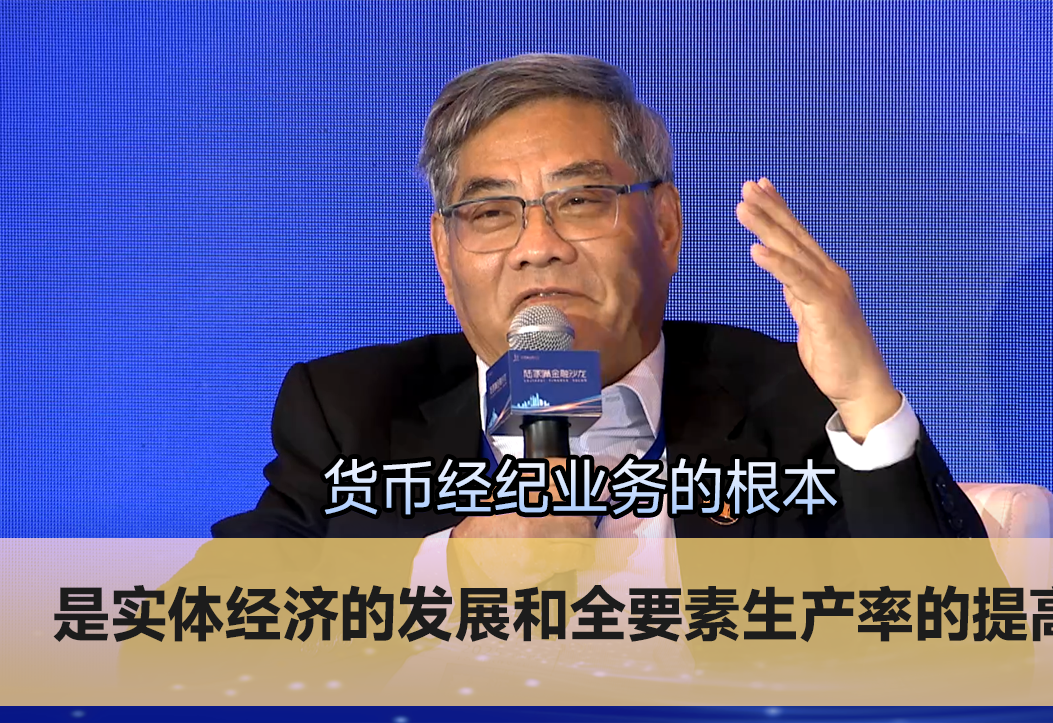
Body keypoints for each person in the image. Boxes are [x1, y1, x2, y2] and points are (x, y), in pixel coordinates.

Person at [211, 53, 986, 542]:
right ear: (444, 256)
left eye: (579, 201)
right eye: (491, 212)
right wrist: (447, 574)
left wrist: (867, 402)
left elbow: (953, 647)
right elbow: (197, 636)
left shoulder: (791, 402)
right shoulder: (351, 413)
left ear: (666, 227)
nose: (538, 244)